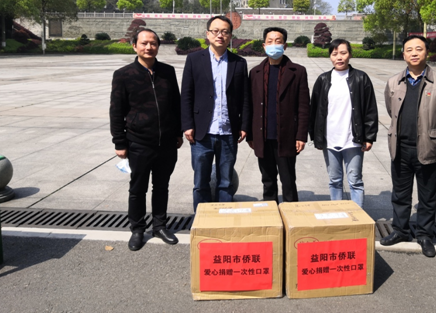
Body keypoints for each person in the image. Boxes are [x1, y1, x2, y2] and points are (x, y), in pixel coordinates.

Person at [381, 35, 436, 258]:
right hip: (400, 147)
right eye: (409, 50)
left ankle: (424, 235)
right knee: (400, 194)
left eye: (419, 49)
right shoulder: (393, 82)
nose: (414, 53)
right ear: (403, 54)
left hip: (427, 147)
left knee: (427, 195)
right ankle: (400, 230)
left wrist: (430, 129)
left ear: (426, 53)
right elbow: (391, 110)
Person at [110, 28, 183, 251]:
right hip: (138, 142)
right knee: (138, 188)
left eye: (153, 43)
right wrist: (119, 142)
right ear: (135, 46)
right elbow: (116, 111)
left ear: (158, 46)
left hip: (166, 142)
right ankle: (137, 229)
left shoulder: (167, 71)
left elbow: (176, 104)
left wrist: (178, 133)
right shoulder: (123, 75)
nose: (149, 47)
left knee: (161, 186)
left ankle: (160, 226)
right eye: (144, 43)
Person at [181, 16, 250, 212]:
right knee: (200, 183)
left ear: (230, 36)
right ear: (208, 34)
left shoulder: (239, 62)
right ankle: (201, 220)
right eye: (216, 31)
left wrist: (244, 125)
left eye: (225, 32)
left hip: (228, 132)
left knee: (226, 182)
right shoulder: (194, 60)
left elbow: (245, 97)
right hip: (201, 133)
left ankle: (223, 221)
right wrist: (187, 125)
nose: (220, 35)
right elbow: (186, 94)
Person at [309, 39, 379, 209]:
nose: (339, 57)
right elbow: (314, 110)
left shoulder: (361, 78)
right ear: (330, 57)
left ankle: (357, 217)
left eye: (343, 53)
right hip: (330, 139)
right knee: (334, 180)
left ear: (350, 55)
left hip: (353, 140)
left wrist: (369, 137)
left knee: (355, 180)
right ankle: (338, 215)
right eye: (335, 54)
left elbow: (370, 109)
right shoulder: (323, 79)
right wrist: (316, 137)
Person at [247, 27, 310, 203]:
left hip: (287, 136)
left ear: (285, 45)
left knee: (288, 180)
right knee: (267, 180)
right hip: (263, 136)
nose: (273, 44)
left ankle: (292, 212)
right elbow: (250, 105)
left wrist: (301, 135)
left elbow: (304, 106)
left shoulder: (297, 71)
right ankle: (270, 210)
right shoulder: (255, 73)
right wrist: (250, 135)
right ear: (264, 45)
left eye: (278, 41)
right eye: (270, 41)